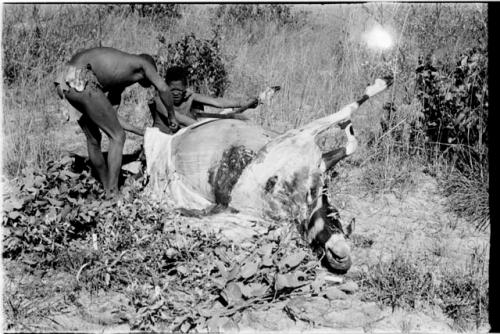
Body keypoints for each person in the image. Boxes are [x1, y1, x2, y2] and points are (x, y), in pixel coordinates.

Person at [54, 47, 180, 197]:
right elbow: (164, 89)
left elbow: (111, 116)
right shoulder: (143, 63)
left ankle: (106, 187)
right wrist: (171, 116)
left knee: (94, 137)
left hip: (65, 79)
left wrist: (140, 131)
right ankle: (113, 192)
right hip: (82, 77)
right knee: (118, 137)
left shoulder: (120, 76)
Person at [148, 66, 259, 134]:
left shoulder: (189, 96)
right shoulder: (159, 100)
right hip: (163, 141)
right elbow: (179, 118)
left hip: (183, 137)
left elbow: (217, 102)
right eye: (172, 90)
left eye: (179, 90)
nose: (176, 93)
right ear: (166, 87)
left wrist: (242, 103)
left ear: (185, 87)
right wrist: (209, 128)